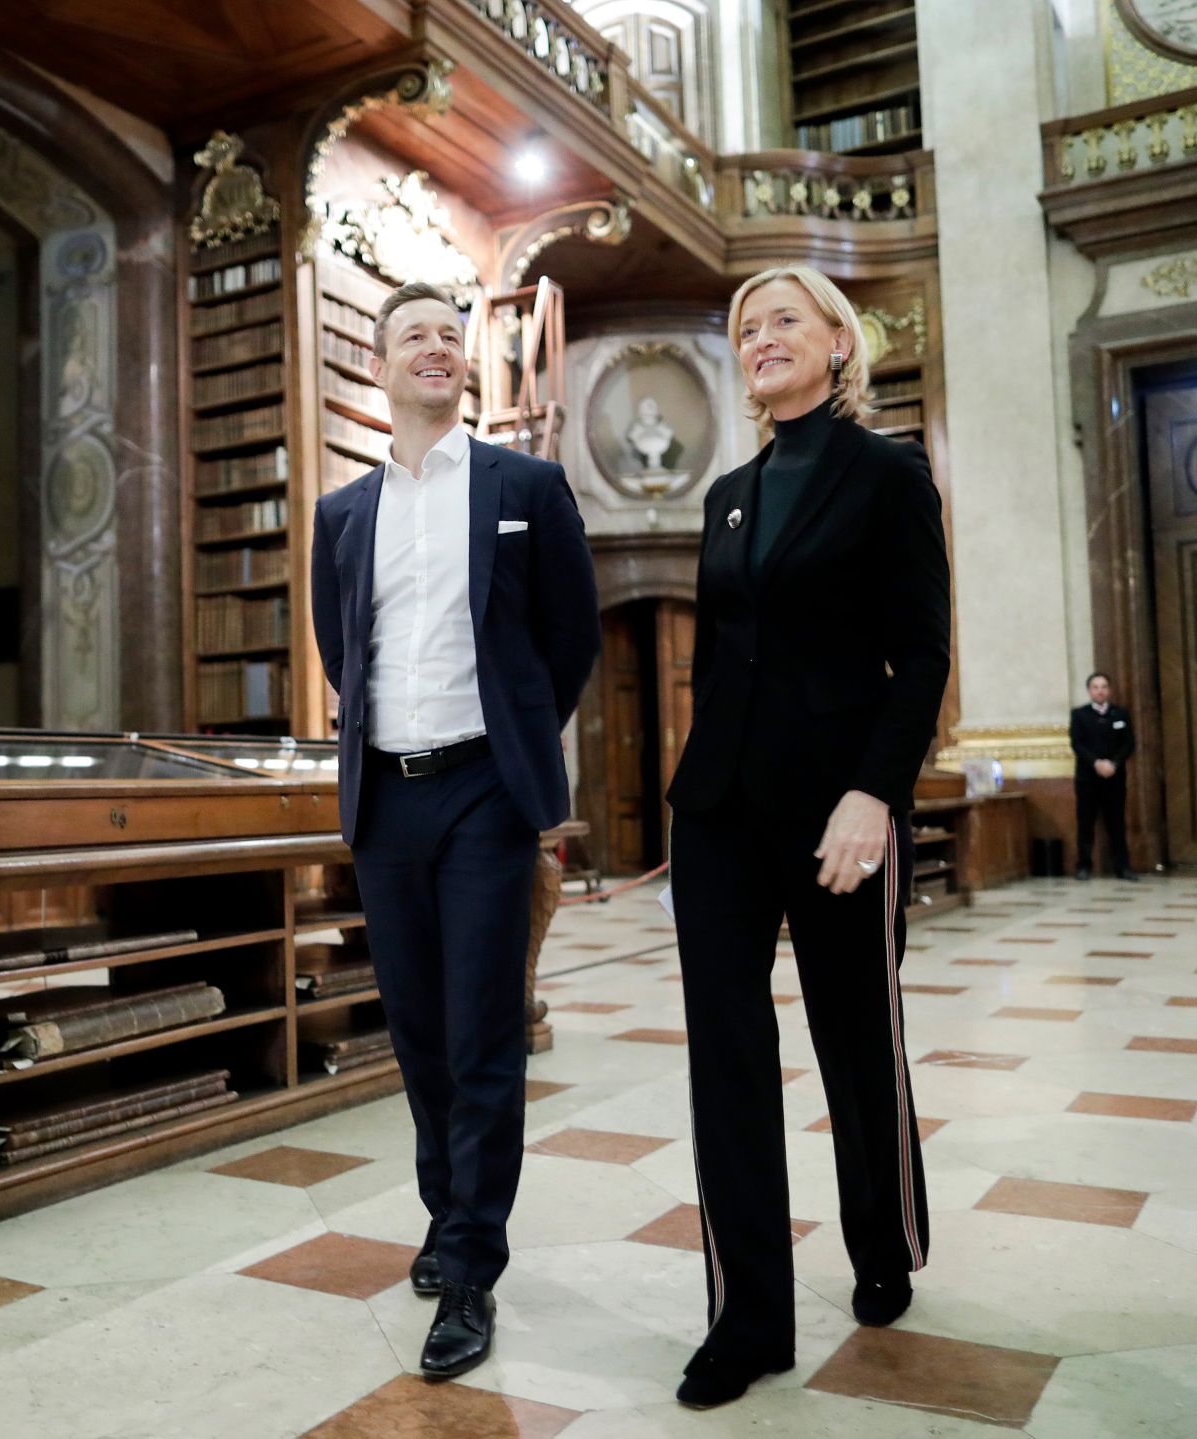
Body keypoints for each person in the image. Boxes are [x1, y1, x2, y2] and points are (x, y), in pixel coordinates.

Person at [663, 263, 951, 1409]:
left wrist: (873, 793)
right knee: (725, 1056)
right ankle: (746, 1318)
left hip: (837, 809)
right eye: (745, 326)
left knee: (854, 1033)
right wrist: (694, 790)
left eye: (783, 318)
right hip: (717, 814)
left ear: (838, 342)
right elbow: (717, 660)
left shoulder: (886, 472)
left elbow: (918, 653)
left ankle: (882, 1240)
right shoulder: (725, 493)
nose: (760, 337)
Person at [309, 280, 599, 1380]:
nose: (435, 348)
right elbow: (343, 652)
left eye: (449, 335)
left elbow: (569, 636)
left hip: (485, 790)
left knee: (482, 1028)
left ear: (462, 365)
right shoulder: (343, 513)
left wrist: (514, 733)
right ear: (378, 367)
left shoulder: (525, 485)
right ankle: (446, 1212)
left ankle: (471, 1263)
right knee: (419, 1029)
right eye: (413, 337)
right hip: (386, 798)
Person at [1070, 672, 1137, 881]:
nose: (1100, 691)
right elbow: (1077, 744)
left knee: (1117, 823)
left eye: (1104, 687)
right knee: (1085, 823)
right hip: (1087, 779)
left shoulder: (1120, 714)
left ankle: (1123, 867)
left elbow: (1129, 743)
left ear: (1109, 690)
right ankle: (1084, 866)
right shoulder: (1079, 714)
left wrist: (1113, 763)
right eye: (1096, 687)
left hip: (1114, 778)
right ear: (1089, 691)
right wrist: (1096, 763)